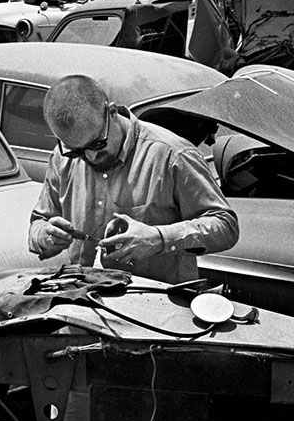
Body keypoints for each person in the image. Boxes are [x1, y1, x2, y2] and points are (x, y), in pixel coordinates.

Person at [29, 74, 238, 283]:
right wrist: (45, 236)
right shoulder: (61, 159)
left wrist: (159, 238)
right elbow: (39, 222)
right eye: (77, 152)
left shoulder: (172, 154)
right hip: (86, 299)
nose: (90, 157)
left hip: (156, 304)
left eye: (97, 144)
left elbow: (225, 226)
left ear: (111, 112)